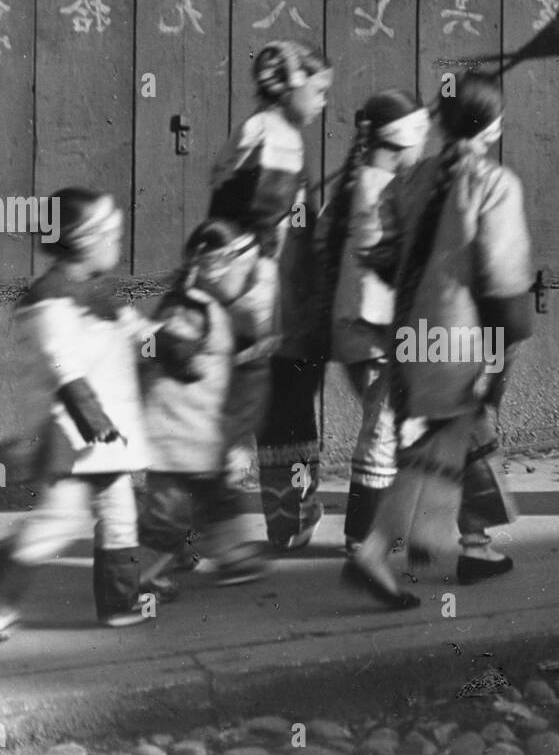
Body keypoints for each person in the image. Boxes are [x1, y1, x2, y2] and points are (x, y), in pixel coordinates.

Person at [344, 72, 535, 609]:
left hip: (413, 335)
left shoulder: (413, 177)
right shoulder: (494, 183)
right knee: (448, 446)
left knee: (444, 447)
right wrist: (507, 343)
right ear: (490, 125)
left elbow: (380, 252)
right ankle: (384, 552)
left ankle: (448, 545)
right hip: (464, 337)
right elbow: (504, 277)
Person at [0, 188, 153, 634]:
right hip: (73, 433)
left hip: (107, 437)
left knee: (121, 517)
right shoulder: (50, 300)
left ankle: (119, 602)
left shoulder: (101, 295)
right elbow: (64, 368)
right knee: (59, 520)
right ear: (84, 239)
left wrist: (177, 338)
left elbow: (141, 334)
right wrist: (98, 427)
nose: (116, 243)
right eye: (111, 234)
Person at [207, 40, 334, 553]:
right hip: (270, 298)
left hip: (247, 297)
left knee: (267, 411)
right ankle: (287, 520)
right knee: (284, 407)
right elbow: (263, 228)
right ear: (291, 86)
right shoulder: (278, 138)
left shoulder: (258, 129)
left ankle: (284, 521)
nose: (324, 101)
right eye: (320, 89)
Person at [320, 90, 431, 555]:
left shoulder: (354, 183)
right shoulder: (381, 191)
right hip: (377, 331)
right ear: (405, 138)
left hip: (355, 331)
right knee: (384, 430)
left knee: (389, 426)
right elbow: (376, 277)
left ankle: (387, 529)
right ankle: (363, 537)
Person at [135, 219, 270, 593]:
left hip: (199, 433)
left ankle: (233, 555)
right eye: (236, 267)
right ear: (212, 267)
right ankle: (132, 577)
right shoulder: (190, 306)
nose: (243, 278)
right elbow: (161, 345)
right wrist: (180, 353)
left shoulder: (207, 305)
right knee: (168, 515)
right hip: (178, 435)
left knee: (216, 500)